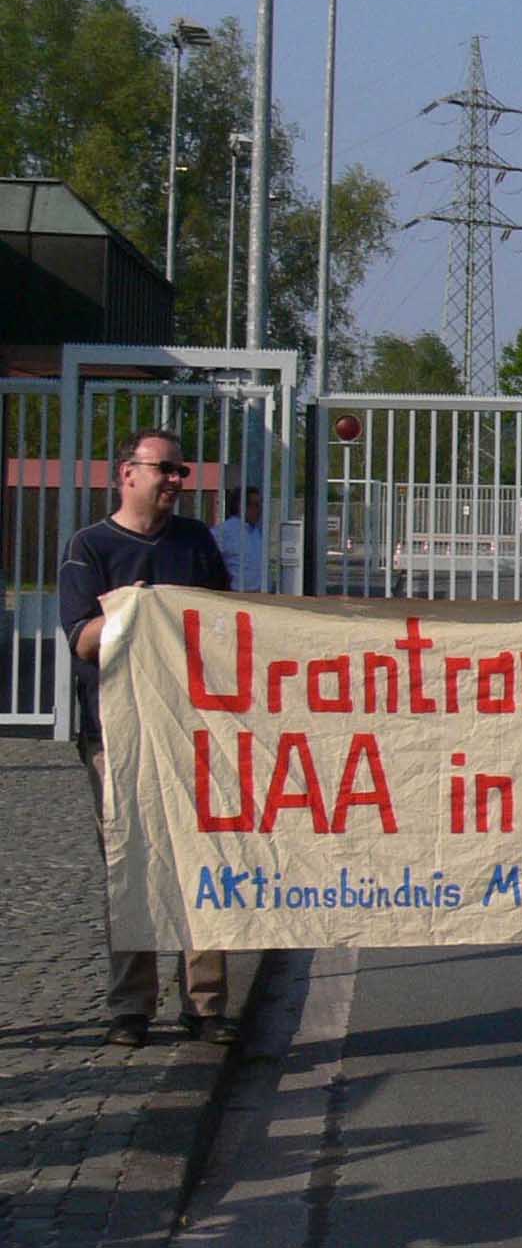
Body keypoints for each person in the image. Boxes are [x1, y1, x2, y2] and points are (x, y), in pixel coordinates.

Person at [58, 428, 236, 1047]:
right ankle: (130, 1006)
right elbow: (81, 639)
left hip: (190, 729)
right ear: (126, 473)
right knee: (130, 864)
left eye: (181, 471)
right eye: (164, 469)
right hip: (119, 733)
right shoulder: (90, 547)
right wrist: (131, 612)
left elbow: (226, 623)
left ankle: (206, 1003)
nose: (174, 482)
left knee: (200, 858)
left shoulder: (195, 542)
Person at [212, 486, 268, 595]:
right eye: (256, 505)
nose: (260, 509)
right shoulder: (223, 531)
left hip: (261, 596)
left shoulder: (257, 532)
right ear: (241, 506)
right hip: (237, 596)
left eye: (261, 504)